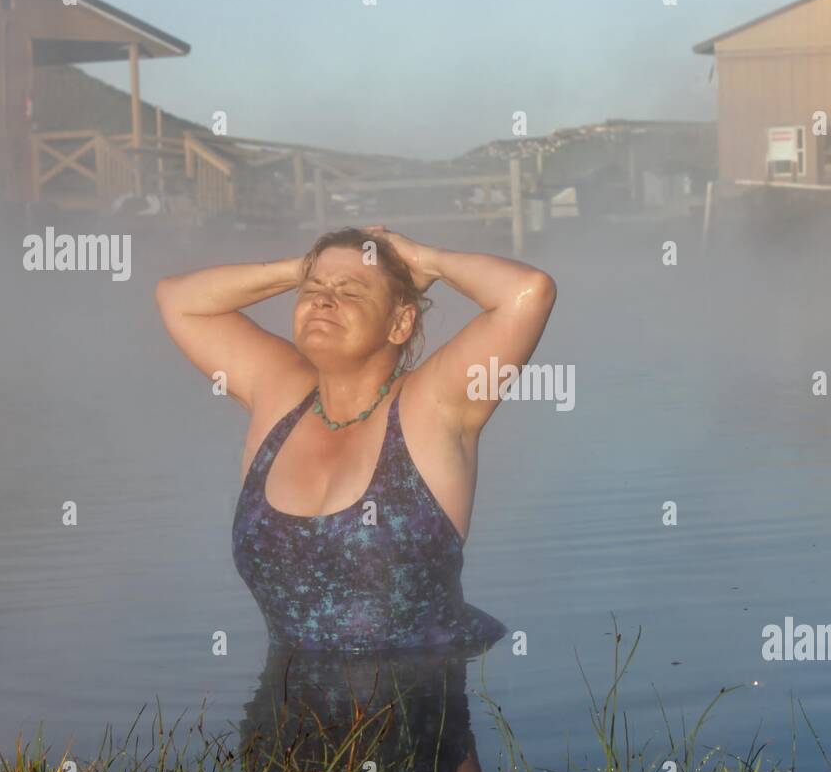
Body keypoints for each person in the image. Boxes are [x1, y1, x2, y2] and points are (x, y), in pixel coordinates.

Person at [155, 226, 556, 653]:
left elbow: (527, 292)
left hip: (419, 709)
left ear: (400, 322)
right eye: (313, 289)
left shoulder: (432, 406)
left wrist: (428, 261)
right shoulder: (280, 394)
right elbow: (178, 300)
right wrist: (303, 268)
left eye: (351, 292)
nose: (323, 300)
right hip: (280, 712)